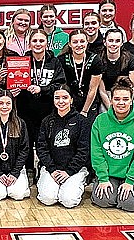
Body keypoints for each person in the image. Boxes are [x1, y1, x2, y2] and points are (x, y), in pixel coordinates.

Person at [90, 78, 134, 212]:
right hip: (109, 174)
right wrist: (103, 178)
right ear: (111, 100)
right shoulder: (100, 121)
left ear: (131, 100)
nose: (121, 103)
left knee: (131, 204)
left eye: (125, 99)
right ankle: (116, 193)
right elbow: (97, 153)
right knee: (103, 200)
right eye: (117, 99)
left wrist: (130, 181)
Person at [16, 29, 67, 181]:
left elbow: (60, 84)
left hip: (47, 110)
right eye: (35, 41)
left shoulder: (54, 61)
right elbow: (14, 80)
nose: (38, 44)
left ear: (46, 43)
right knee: (26, 140)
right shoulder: (22, 60)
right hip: (25, 108)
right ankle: (29, 168)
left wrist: (42, 89)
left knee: (46, 141)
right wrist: (15, 88)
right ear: (29, 43)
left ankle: (44, 166)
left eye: (41, 41)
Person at [36, 86, 91, 208]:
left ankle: (79, 181)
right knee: (48, 199)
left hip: (74, 169)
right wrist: (52, 169)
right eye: (57, 98)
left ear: (71, 100)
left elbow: (84, 150)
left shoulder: (82, 121)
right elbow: (41, 148)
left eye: (65, 98)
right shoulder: (47, 121)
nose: (61, 101)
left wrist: (69, 171)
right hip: (52, 169)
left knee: (68, 201)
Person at [58, 30, 103, 119]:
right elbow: (61, 87)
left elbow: (93, 89)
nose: (79, 45)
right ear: (70, 44)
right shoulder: (61, 60)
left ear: (87, 42)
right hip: (68, 103)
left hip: (89, 103)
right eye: (75, 42)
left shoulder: (95, 60)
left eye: (82, 41)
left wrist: (84, 111)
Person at [98, 29, 134, 112]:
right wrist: (111, 109)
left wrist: (125, 104)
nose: (113, 44)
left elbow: (132, 87)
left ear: (122, 43)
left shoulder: (130, 59)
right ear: (105, 42)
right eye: (110, 41)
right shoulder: (98, 60)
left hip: (127, 96)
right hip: (106, 97)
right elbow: (101, 90)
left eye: (117, 41)